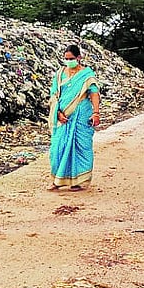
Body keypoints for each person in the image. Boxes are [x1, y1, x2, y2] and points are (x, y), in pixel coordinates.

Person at [48, 44, 101, 191]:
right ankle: (57, 180)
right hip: (62, 115)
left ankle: (77, 181)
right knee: (57, 147)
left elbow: (94, 93)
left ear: (79, 58)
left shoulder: (86, 75)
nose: (68, 61)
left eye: (71, 58)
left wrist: (96, 113)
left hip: (81, 115)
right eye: (66, 59)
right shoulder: (59, 74)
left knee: (80, 146)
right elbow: (54, 95)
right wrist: (57, 113)